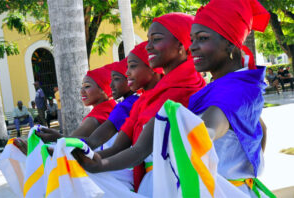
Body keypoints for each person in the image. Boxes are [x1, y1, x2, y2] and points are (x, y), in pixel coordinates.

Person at [73, 13, 205, 195]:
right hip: (150, 181)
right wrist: (65, 151)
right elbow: (120, 146)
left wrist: (97, 163)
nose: (149, 46)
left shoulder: (189, 90)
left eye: (156, 39)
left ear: (181, 45)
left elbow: (140, 150)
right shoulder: (143, 101)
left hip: (175, 184)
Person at [186, 0, 273, 196]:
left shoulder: (231, 91)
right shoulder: (239, 85)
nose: (192, 47)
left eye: (202, 38)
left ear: (230, 44)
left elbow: (208, 129)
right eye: (192, 40)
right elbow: (262, 129)